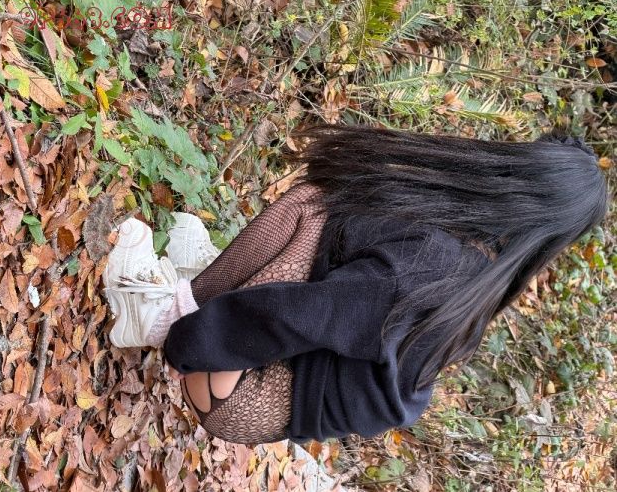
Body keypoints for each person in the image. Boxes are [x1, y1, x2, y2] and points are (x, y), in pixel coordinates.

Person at [102, 125, 609, 445]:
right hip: (273, 402)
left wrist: (187, 339)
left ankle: (163, 313)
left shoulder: (439, 264)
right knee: (338, 222)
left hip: (235, 397)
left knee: (315, 206)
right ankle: (209, 283)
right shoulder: (481, 278)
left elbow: (309, 313)